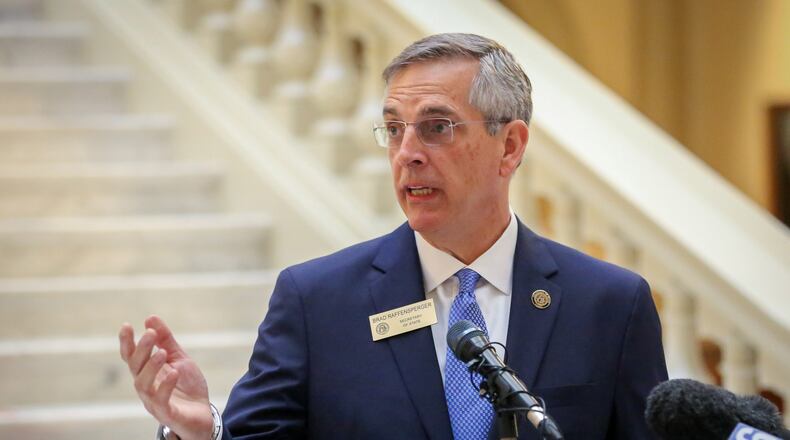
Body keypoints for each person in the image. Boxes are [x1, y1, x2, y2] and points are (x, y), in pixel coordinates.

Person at [119, 33, 668, 439]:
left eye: (436, 126)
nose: (407, 153)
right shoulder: (317, 302)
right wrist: (198, 432)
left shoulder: (610, 305)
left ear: (510, 146)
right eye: (394, 129)